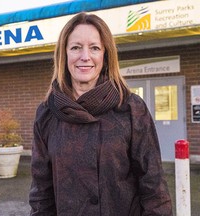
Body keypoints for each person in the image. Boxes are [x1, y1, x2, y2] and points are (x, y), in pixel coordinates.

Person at [29, 12, 172, 215]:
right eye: (76, 47)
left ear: (105, 56)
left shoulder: (130, 108)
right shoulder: (47, 114)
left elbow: (153, 186)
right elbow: (41, 193)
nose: (85, 56)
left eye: (94, 48)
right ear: (64, 54)